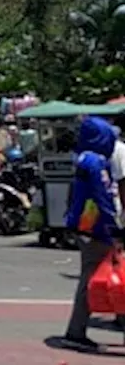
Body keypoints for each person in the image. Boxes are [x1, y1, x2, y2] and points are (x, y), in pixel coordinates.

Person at [63, 115, 120, 351]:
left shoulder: (90, 159)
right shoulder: (93, 162)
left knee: (111, 275)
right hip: (95, 228)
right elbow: (101, 196)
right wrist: (113, 226)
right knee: (93, 279)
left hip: (93, 227)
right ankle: (75, 332)